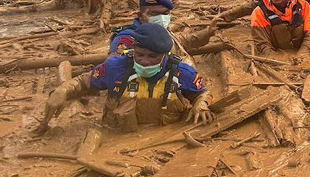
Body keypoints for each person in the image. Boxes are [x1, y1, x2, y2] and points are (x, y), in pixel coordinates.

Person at [40, 23, 213, 134]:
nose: (144, 62)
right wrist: (63, 90)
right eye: (140, 55)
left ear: (166, 55)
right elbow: (83, 83)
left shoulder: (182, 73)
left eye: (152, 56)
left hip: (166, 134)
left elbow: (202, 93)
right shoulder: (115, 67)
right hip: (115, 135)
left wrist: (201, 105)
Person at [109, 0, 217, 56]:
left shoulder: (164, 31)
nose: (161, 18)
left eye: (165, 14)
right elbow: (113, 67)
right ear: (140, 16)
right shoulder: (128, 38)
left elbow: (180, 42)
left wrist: (207, 33)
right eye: (154, 14)